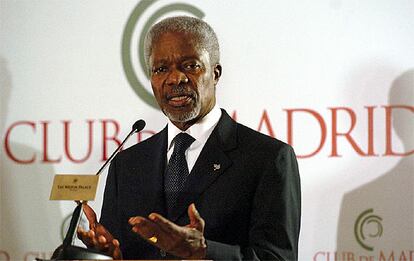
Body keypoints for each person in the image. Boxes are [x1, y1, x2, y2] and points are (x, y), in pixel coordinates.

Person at [78, 16, 301, 260]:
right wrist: (111, 256)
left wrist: (205, 252)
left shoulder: (267, 158)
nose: (175, 79)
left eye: (190, 65)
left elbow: (278, 258)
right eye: (161, 69)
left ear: (215, 74)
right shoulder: (126, 165)